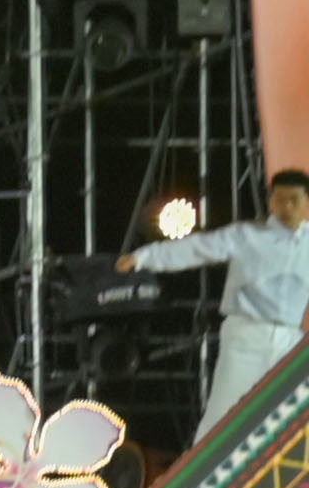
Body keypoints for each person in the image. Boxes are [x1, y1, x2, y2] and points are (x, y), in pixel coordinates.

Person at [125, 169, 309, 423]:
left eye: (294, 200)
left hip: (290, 339)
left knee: (292, 418)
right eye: (280, 199)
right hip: (247, 335)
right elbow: (197, 248)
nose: (287, 207)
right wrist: (143, 258)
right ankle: (208, 449)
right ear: (271, 202)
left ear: (306, 202)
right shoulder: (246, 236)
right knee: (224, 416)